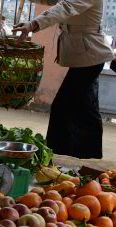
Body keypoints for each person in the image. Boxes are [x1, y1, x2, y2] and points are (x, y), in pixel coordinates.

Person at [12, 0, 113, 159]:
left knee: (64, 107)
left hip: (90, 57)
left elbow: (65, 7)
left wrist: (33, 24)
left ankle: (59, 155)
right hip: (86, 57)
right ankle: (86, 157)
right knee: (85, 108)